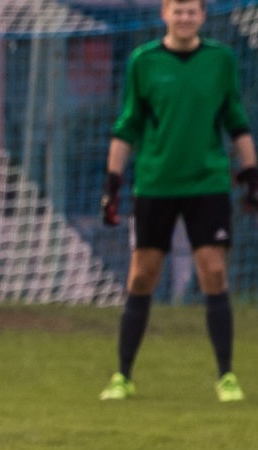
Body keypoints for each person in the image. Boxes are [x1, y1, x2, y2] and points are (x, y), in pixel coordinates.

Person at [101, 0, 258, 402]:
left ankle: (226, 377)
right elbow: (128, 124)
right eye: (178, 10)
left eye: (192, 11)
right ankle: (122, 376)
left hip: (207, 183)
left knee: (214, 272)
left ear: (203, 17)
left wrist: (251, 173)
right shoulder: (144, 61)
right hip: (155, 184)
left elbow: (236, 120)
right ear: (164, 15)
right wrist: (113, 182)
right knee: (141, 277)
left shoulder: (220, 61)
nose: (185, 18)